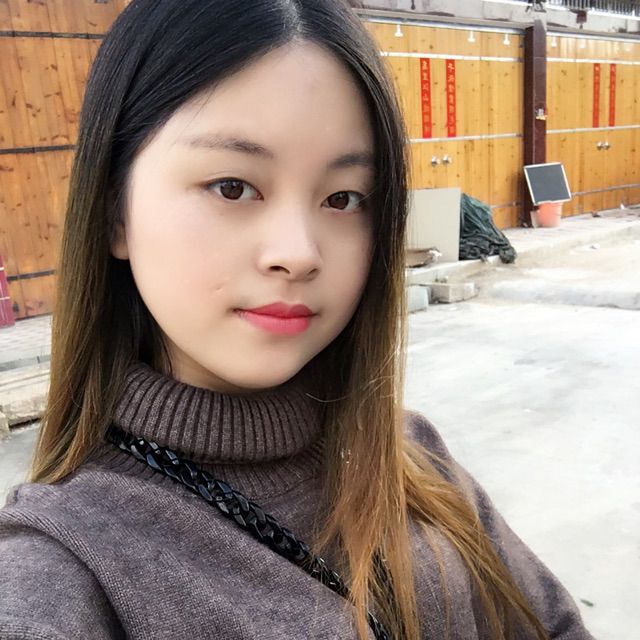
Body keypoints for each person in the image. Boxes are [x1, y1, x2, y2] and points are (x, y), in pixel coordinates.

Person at [0, 1, 595, 639]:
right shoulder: (63, 566)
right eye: (232, 187)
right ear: (114, 211)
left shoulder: (411, 455)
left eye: (343, 198)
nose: (299, 253)